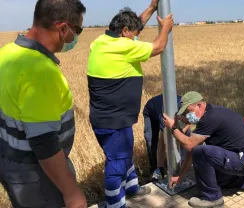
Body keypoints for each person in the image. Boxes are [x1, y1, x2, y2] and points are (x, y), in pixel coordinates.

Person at [86, 0, 174, 207]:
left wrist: (152, 7)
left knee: (125, 155)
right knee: (117, 162)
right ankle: (115, 203)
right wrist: (165, 28)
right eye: (135, 33)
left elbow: (135, 26)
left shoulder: (100, 41)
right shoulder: (125, 46)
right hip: (113, 120)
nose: (137, 36)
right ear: (125, 31)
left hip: (108, 117)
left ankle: (132, 188)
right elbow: (159, 46)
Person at [0, 0, 87, 207]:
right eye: (78, 30)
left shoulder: (7, 53)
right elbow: (44, 142)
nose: (75, 38)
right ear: (63, 28)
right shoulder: (40, 73)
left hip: (10, 163)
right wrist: (71, 192)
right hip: (38, 174)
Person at [163, 91, 244, 208]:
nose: (187, 115)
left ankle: (213, 199)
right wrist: (180, 175)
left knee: (201, 153)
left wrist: (173, 128)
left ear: (199, 106)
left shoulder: (209, 119)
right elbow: (192, 149)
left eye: (188, 111)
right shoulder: (209, 113)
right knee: (211, 180)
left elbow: (190, 146)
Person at [143, 94, 191, 181]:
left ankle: (181, 165)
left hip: (173, 113)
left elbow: (187, 141)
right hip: (151, 111)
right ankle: (156, 170)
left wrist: (182, 132)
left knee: (183, 140)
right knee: (152, 141)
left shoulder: (189, 109)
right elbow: (161, 146)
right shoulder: (166, 118)